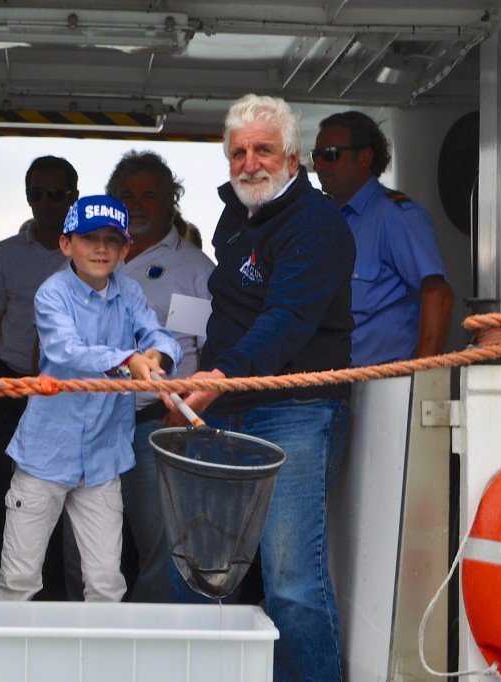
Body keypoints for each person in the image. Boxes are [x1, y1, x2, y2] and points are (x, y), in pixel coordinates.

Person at [166, 95, 354, 681]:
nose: (250, 163)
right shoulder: (234, 216)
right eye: (238, 152)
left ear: (293, 158)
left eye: (263, 150)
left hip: (293, 414)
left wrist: (217, 379)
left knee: (292, 582)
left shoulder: (317, 225)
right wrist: (196, 389)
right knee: (204, 570)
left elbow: (287, 320)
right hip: (226, 414)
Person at [0, 196, 182, 602]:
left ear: (125, 250)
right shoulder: (51, 293)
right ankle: (2, 667)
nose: (100, 248)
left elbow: (159, 335)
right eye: (89, 238)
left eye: (111, 240)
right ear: (66, 245)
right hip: (44, 456)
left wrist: (157, 354)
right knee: (19, 580)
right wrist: (129, 359)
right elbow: (67, 352)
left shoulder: (130, 292)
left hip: (103, 458)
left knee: (106, 584)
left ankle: (101, 668)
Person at [105, 150, 214, 602]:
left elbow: (211, 355)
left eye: (150, 195)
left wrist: (185, 421)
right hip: (91, 426)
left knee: (161, 553)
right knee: (88, 553)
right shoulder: (90, 258)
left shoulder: (196, 270)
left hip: (158, 430)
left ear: (172, 201)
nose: (138, 204)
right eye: (127, 195)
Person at [0, 155, 77, 591]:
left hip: (67, 400)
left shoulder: (89, 254)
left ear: (73, 196)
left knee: (51, 509)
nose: (46, 203)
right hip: (9, 392)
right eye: (37, 194)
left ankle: (48, 609)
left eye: (57, 194)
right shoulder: (6, 254)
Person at [313, 111, 455, 366]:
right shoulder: (326, 222)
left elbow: (438, 294)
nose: (319, 165)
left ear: (364, 158)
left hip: (385, 386)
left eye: (331, 154)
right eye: (316, 156)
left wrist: (421, 378)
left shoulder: (395, 216)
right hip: (334, 386)